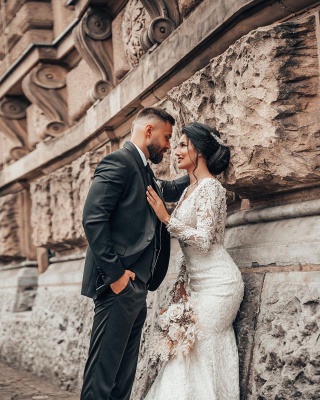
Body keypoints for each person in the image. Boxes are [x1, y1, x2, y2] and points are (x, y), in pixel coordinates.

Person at [80, 107, 189, 400]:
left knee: (121, 378)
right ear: (149, 131)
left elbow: (164, 188)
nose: (168, 145)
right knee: (102, 376)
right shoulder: (119, 162)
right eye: (167, 137)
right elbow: (92, 218)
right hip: (119, 284)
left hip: (136, 286)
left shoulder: (141, 168)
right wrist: (115, 276)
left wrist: (200, 169)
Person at [145, 121, 244, 399]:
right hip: (196, 286)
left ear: (199, 151)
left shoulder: (211, 187)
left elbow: (203, 239)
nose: (175, 151)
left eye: (182, 144)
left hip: (219, 286)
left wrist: (166, 218)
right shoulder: (190, 189)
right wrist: (181, 284)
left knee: (196, 351)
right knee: (187, 352)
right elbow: (189, 251)